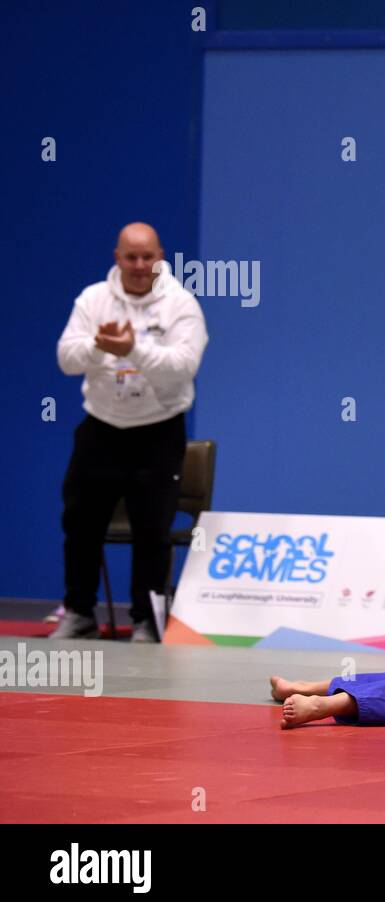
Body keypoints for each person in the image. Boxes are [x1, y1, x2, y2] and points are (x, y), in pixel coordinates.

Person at [52, 222, 208, 642]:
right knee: (80, 523)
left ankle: (145, 619)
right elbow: (66, 358)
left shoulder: (181, 304)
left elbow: (183, 367)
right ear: (117, 257)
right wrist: (100, 346)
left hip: (158, 432)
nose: (140, 265)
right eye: (131, 257)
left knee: (152, 529)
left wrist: (132, 348)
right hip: (101, 428)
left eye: (148, 256)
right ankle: (79, 612)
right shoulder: (93, 299)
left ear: (160, 256)